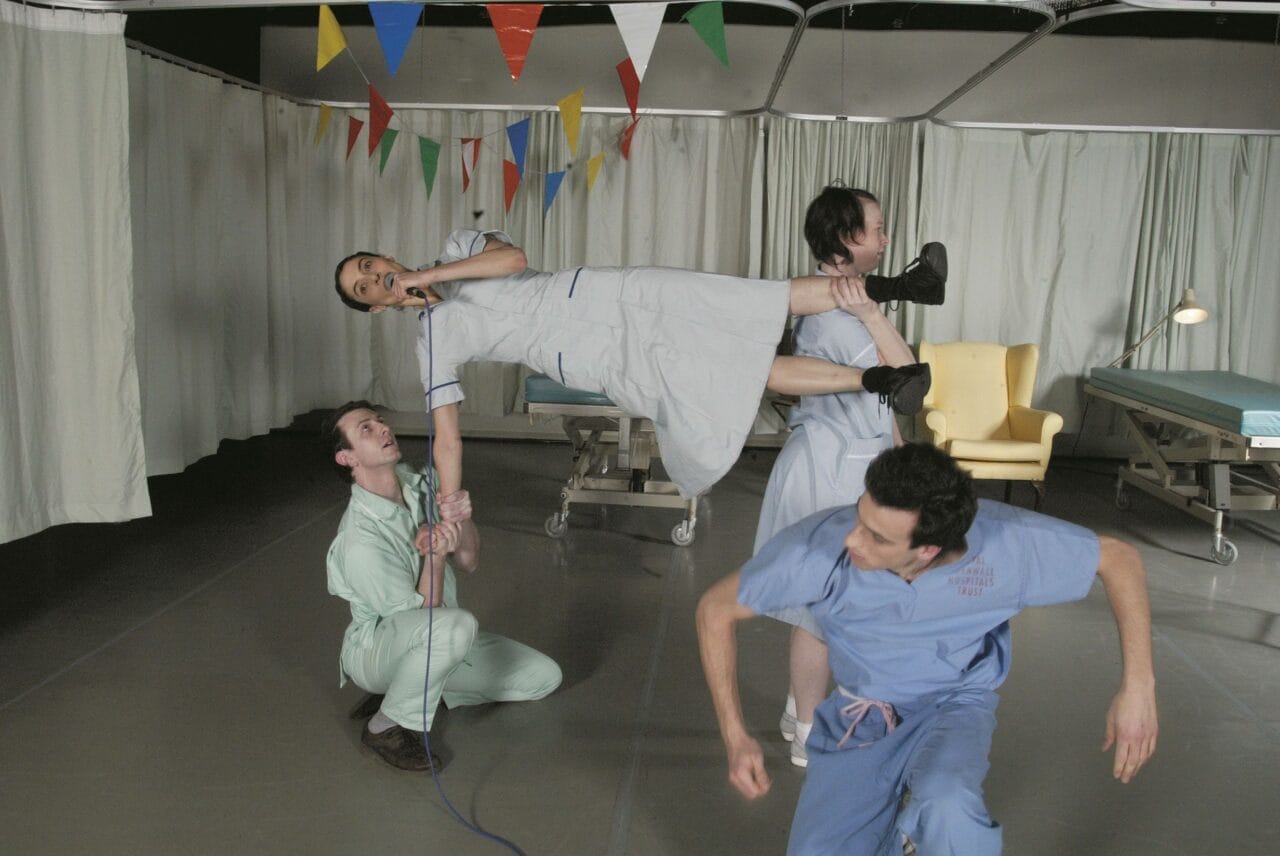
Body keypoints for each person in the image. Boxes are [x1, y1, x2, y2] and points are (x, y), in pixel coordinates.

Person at [697, 443, 1158, 854]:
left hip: (954, 703)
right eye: (861, 515)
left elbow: (1119, 558)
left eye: (878, 537)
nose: (853, 538)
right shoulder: (818, 549)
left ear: (928, 550)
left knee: (948, 805)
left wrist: (1138, 687)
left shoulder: (1007, 545)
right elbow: (715, 610)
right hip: (862, 708)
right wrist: (735, 736)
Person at [331, 231, 946, 501]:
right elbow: (444, 437)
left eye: (367, 266)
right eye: (364, 289)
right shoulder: (431, 340)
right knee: (730, 371)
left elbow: (513, 259)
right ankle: (882, 380)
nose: (372, 279)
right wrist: (453, 501)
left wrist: (429, 276)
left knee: (738, 297)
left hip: (606, 293)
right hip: (603, 355)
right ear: (376, 309)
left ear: (384, 255)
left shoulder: (456, 248)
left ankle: (902, 286)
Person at [761, 186, 942, 769]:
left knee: (834, 607)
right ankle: (809, 734)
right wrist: (869, 313)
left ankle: (798, 709)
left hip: (856, 464)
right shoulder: (834, 315)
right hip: (825, 468)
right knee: (820, 612)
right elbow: (907, 375)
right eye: (878, 229)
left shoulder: (854, 303)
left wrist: (898, 454)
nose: (887, 239)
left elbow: (886, 404)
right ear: (846, 238)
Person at [323, 401, 562, 771]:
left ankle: (414, 687)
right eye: (365, 429)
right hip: (379, 648)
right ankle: (385, 726)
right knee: (455, 626)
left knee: (544, 677)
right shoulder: (359, 540)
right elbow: (420, 620)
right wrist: (433, 559)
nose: (383, 429)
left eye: (381, 421)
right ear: (346, 459)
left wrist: (460, 517)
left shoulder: (422, 485)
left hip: (439, 635)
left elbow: (469, 560)